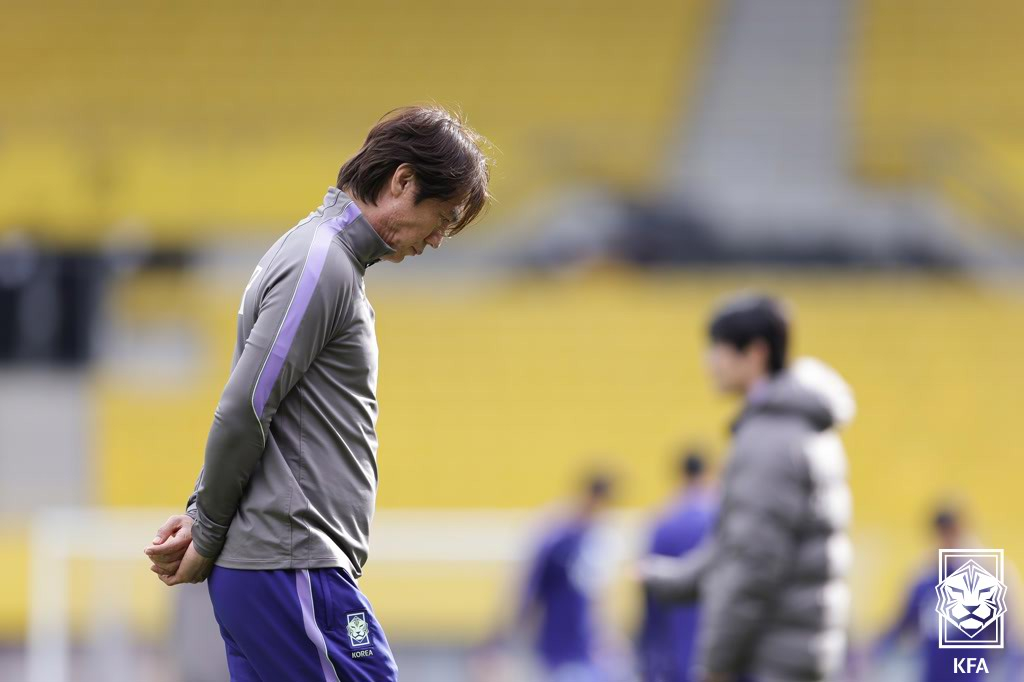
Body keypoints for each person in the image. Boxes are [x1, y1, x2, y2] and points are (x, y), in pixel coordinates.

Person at [142, 105, 491, 681]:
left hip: (284, 570)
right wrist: (205, 526)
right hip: (292, 566)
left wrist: (203, 509)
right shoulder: (321, 263)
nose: (437, 239)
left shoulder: (319, 257)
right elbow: (246, 405)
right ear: (403, 180)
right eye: (442, 217)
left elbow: (261, 405)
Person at [641, 294, 855, 682]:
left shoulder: (770, 438)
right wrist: (669, 581)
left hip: (769, 655)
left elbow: (754, 563)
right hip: (795, 649)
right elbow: (737, 544)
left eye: (718, 350)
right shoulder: (799, 426)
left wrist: (715, 662)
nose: (709, 363)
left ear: (754, 354)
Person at [519, 471, 619, 681]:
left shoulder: (595, 537)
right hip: (557, 637)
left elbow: (595, 596)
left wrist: (604, 633)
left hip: (582, 641)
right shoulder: (559, 536)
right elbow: (534, 584)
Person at [637, 447, 717, 682]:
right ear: (709, 472)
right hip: (717, 648)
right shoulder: (720, 515)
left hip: (674, 647)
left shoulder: (664, 521)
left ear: (680, 474)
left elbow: (649, 591)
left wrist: (647, 654)